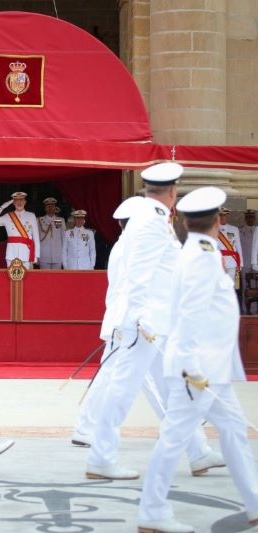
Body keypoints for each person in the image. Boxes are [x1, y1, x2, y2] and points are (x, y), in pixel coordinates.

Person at [86, 162, 221, 481]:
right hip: (145, 325)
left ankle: (198, 451)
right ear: (172, 192)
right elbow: (139, 274)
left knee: (174, 388)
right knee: (122, 390)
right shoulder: (151, 222)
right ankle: (101, 457)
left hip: (156, 323)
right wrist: (140, 318)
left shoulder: (152, 218)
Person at [137, 186, 258, 533]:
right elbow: (191, 314)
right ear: (218, 221)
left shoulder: (197, 251)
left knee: (233, 432)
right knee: (174, 438)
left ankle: (254, 503)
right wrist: (191, 366)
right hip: (198, 368)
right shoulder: (200, 257)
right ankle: (152, 511)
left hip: (209, 367)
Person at [72, 196, 143, 447]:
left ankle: (186, 432)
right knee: (111, 376)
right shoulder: (128, 249)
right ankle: (86, 427)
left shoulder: (128, 246)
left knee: (152, 378)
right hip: (127, 323)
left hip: (132, 322)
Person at [0, 192, 40, 268]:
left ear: (25, 202)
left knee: (26, 275)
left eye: (21, 200)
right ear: (13, 203)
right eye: (16, 200)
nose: (19, 203)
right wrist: (3, 206)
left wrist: (36, 255)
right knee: (11, 275)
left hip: (26, 253)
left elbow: (36, 237)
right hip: (11, 254)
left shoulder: (31, 216)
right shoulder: (8, 216)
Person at [217, 207, 243, 295]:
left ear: (228, 216)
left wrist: (240, 263)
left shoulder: (234, 229)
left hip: (232, 261)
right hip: (219, 261)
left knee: (230, 287)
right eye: (220, 215)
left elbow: (238, 246)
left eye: (224, 215)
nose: (222, 217)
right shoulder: (214, 228)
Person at [38, 197, 65, 269]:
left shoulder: (60, 220)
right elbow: (36, 238)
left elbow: (63, 238)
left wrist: (64, 256)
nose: (50, 208)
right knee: (44, 276)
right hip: (44, 255)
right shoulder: (39, 220)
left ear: (55, 207)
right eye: (48, 206)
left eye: (52, 206)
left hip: (57, 255)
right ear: (45, 208)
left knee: (57, 276)